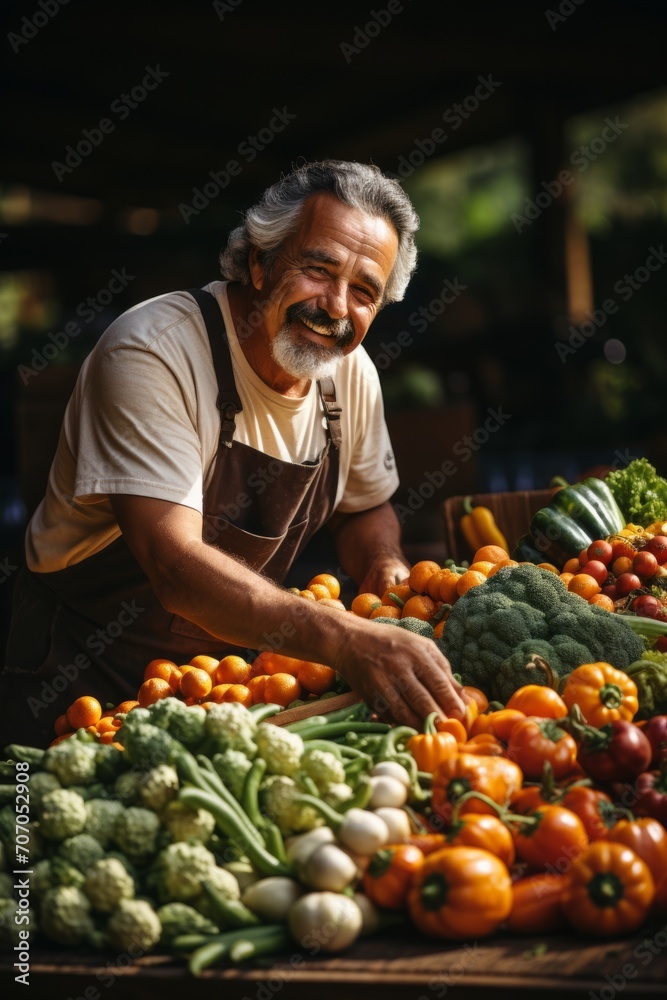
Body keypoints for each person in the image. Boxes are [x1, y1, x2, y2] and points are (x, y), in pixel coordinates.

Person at [1, 159, 465, 748]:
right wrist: (343, 636)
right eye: (318, 270)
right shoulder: (155, 352)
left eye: (365, 292)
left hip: (221, 688)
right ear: (260, 262)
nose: (337, 308)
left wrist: (389, 577)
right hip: (83, 674)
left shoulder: (348, 376)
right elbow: (174, 567)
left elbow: (362, 507)